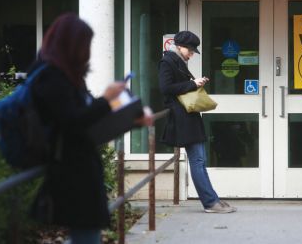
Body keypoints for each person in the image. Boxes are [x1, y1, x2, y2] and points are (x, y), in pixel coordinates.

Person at [30, 13, 153, 244]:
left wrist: (130, 120)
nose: (86, 52)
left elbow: (90, 121)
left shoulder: (69, 76)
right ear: (70, 45)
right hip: (70, 172)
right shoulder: (50, 77)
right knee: (86, 237)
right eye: (83, 45)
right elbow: (73, 121)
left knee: (86, 237)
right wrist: (107, 99)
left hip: (81, 169)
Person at [158, 30, 236, 213]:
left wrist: (195, 83)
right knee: (198, 160)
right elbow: (166, 88)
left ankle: (213, 200)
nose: (192, 54)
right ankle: (210, 203)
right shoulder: (167, 61)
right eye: (190, 50)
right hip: (182, 117)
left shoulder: (177, 61)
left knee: (200, 160)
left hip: (187, 116)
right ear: (179, 47)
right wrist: (193, 84)